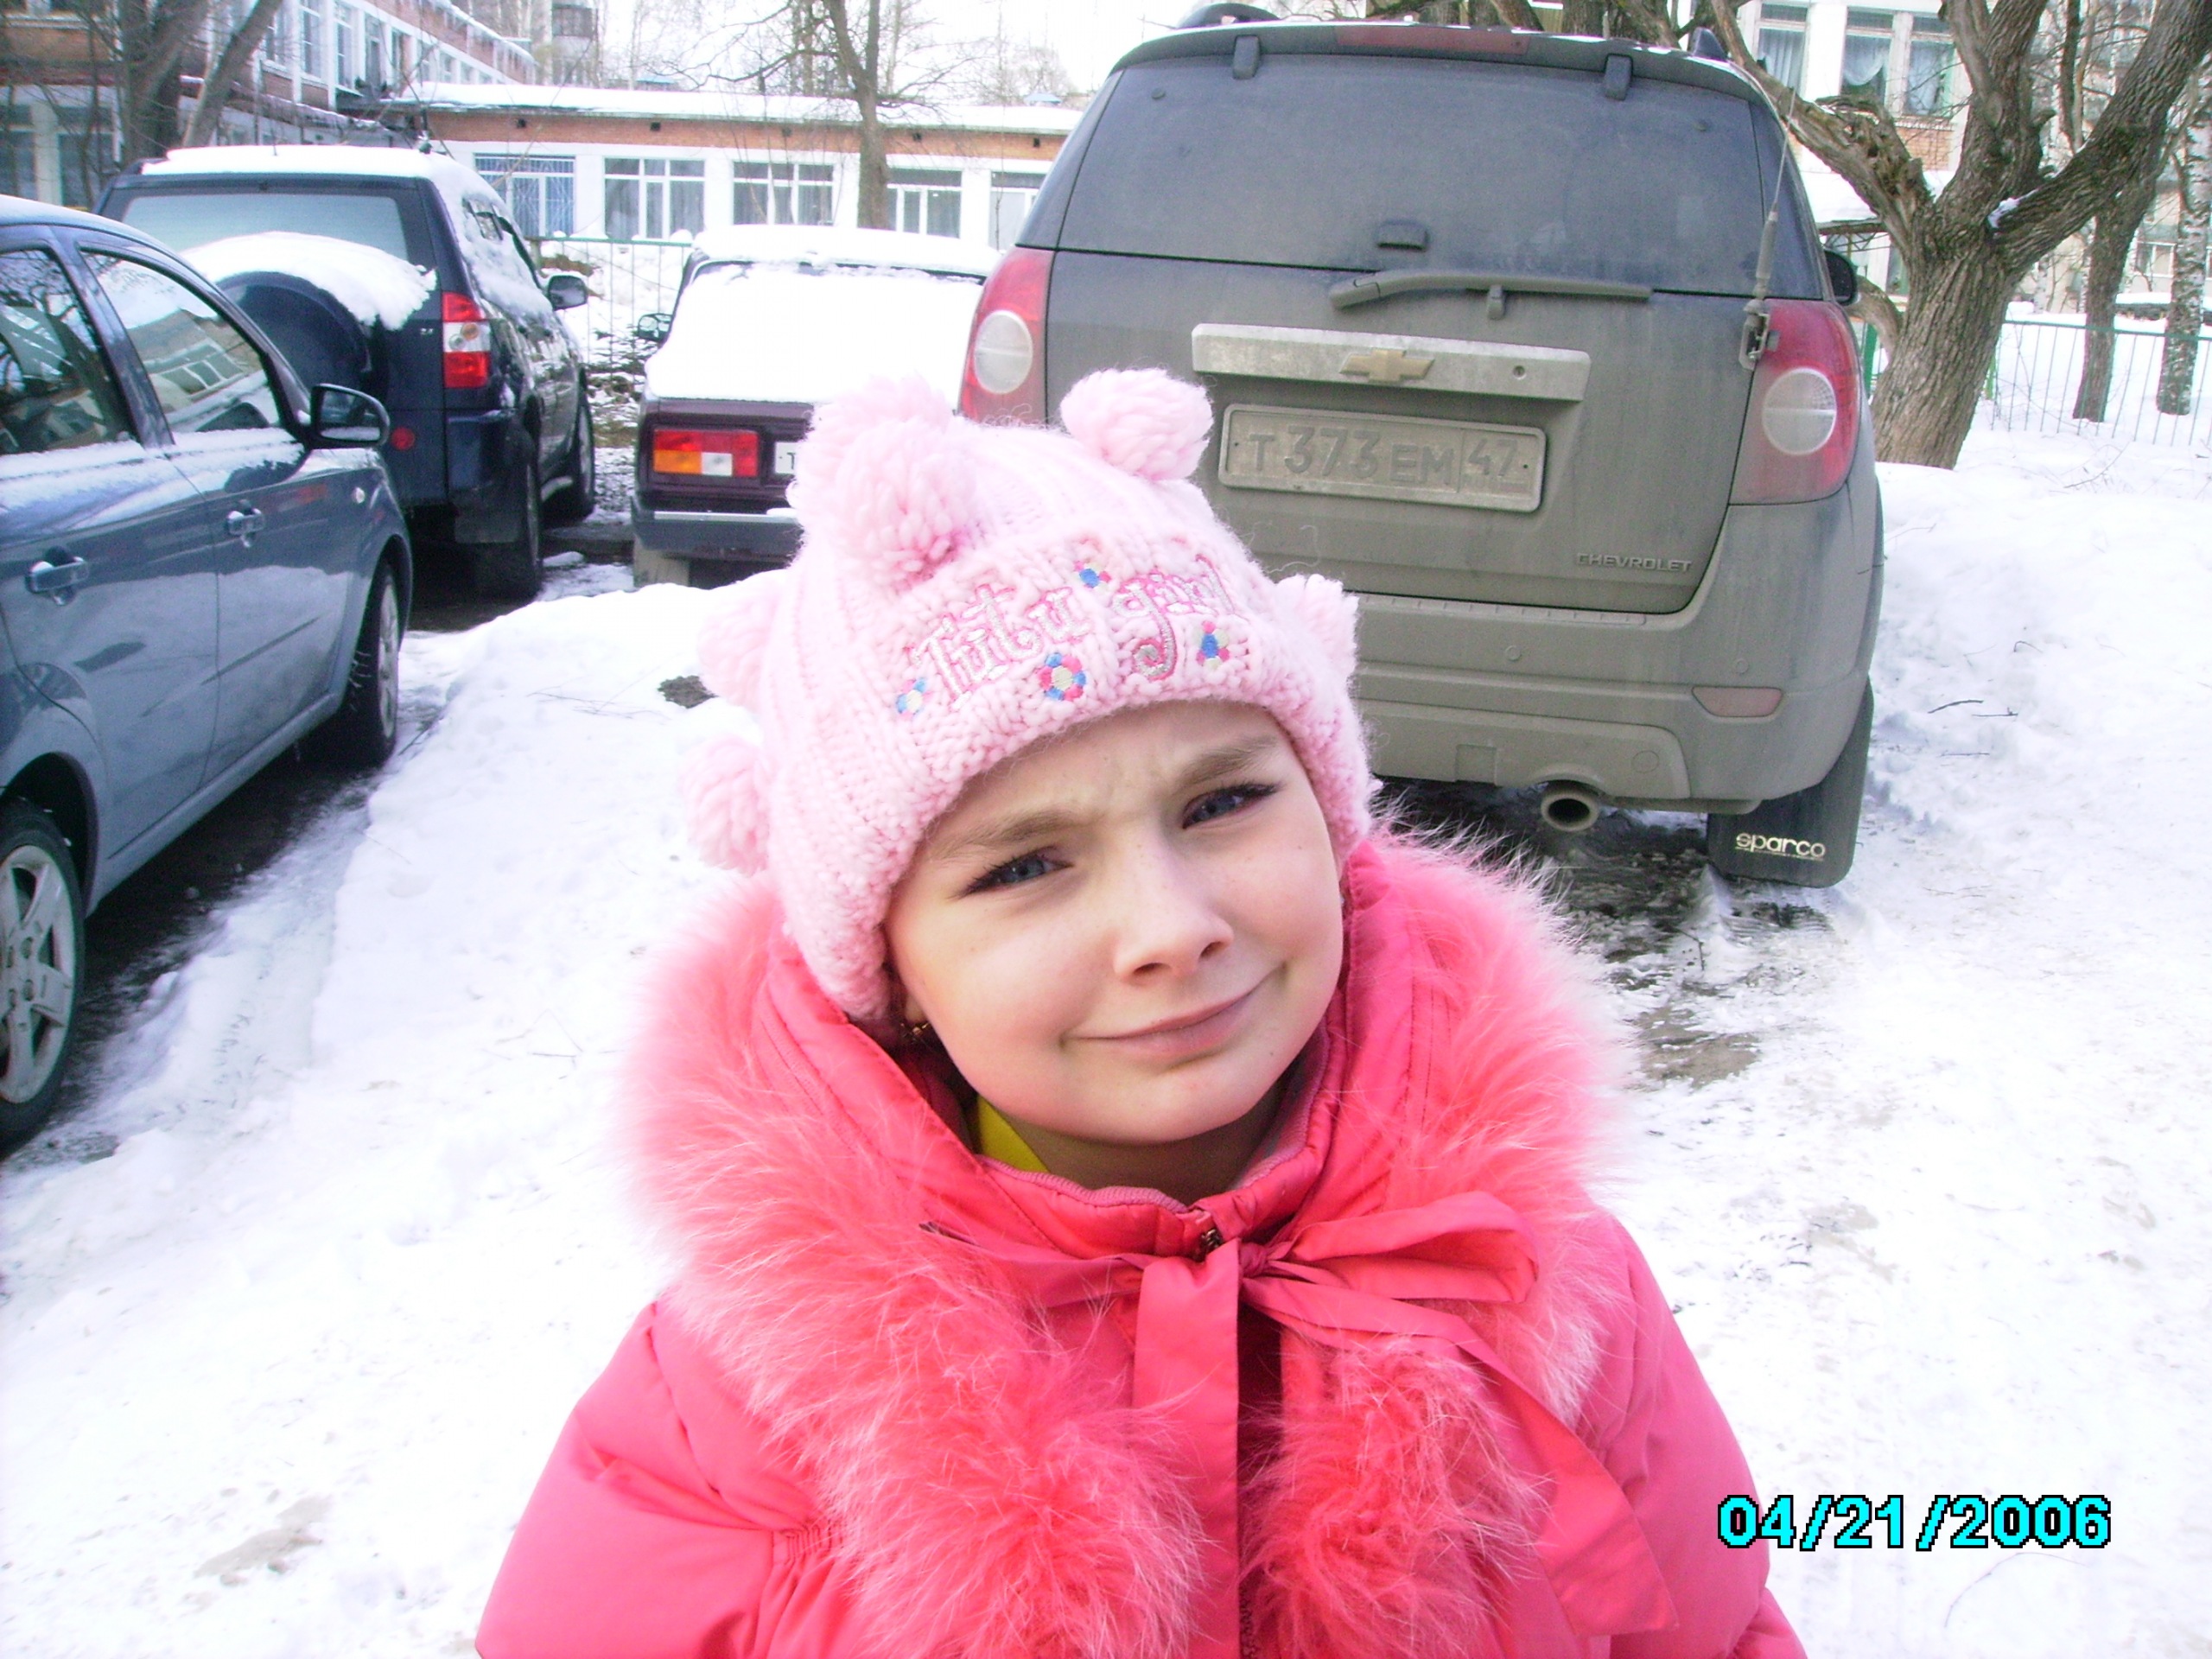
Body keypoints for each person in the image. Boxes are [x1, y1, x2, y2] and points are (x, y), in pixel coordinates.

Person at [476, 371, 1802, 1659]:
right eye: (1023, 867)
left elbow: (1714, 1624)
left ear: (1330, 811)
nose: (1171, 928)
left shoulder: (1538, 1281)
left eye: (1223, 803)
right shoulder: (735, 1407)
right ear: (891, 970)